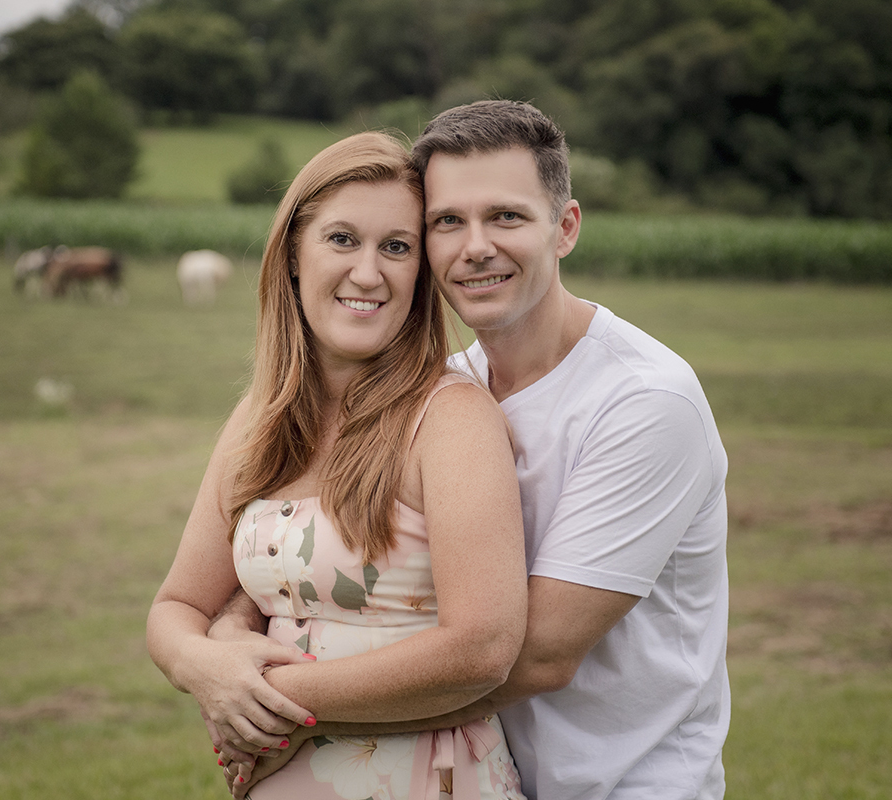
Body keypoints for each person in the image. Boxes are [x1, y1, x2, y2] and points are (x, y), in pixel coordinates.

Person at [220, 101, 731, 800]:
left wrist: (284, 713)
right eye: (447, 222)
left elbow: (531, 656)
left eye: (507, 217)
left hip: (621, 783)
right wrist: (229, 637)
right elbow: (335, 559)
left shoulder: (644, 403)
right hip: (481, 768)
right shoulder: (449, 386)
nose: (475, 246)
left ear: (566, 228)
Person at [146, 130, 531, 799]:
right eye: (342, 239)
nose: (368, 272)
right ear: (294, 254)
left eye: (397, 247)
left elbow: (483, 647)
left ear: (421, 272)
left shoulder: (449, 418)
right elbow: (175, 606)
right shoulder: (257, 421)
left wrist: (273, 700)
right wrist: (204, 667)